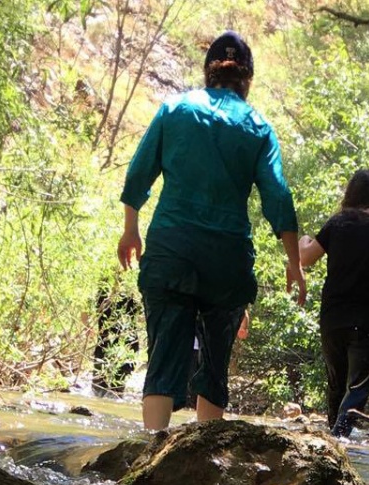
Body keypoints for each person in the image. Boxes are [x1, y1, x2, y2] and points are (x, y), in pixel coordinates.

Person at [117, 31, 305, 431]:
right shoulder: (257, 126)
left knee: (164, 356)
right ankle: (204, 457)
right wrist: (294, 262)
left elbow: (138, 173)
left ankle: (152, 456)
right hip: (227, 261)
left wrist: (131, 229)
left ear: (208, 73)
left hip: (172, 249)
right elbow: (278, 197)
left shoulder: (174, 109)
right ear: (247, 79)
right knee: (214, 367)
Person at [299, 169, 369, 437]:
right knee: (358, 386)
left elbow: (305, 257)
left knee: (336, 383)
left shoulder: (337, 223)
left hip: (333, 317)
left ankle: (332, 440)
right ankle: (339, 438)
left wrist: (304, 239)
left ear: (350, 193)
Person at [91, 281, 139, 395]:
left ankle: (113, 387)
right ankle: (105, 387)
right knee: (105, 339)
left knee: (125, 339)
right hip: (115, 289)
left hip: (125, 290)